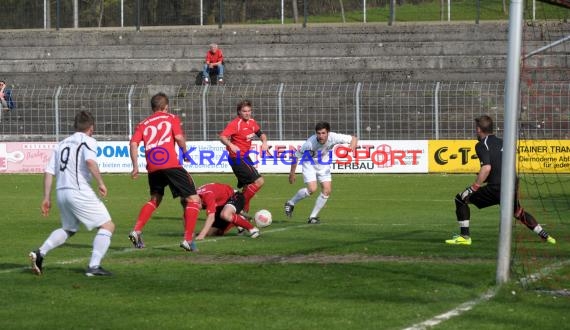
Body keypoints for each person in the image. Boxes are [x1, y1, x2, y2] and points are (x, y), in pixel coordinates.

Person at [446, 115, 556, 245]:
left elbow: (486, 168)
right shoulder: (503, 142)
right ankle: (545, 235)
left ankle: (464, 237)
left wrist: (473, 187)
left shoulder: (481, 145)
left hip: (497, 187)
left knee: (461, 199)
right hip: (512, 184)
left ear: (478, 130)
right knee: (517, 212)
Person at [29, 110, 115, 276]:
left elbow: (48, 172)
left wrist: (46, 197)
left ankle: (40, 253)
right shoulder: (88, 140)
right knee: (107, 225)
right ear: (91, 127)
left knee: (69, 228)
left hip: (61, 192)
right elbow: (90, 161)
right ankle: (93, 267)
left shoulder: (61, 144)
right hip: (78, 190)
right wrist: (101, 183)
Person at [128, 92, 201, 252]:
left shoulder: (143, 123)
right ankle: (188, 240)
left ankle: (137, 230)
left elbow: (133, 144)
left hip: (153, 166)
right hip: (170, 164)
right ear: (165, 107)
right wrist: (185, 151)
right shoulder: (171, 118)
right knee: (194, 200)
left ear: (153, 107)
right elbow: (180, 137)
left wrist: (135, 166)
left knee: (155, 198)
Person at [284, 121, 358, 224]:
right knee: (312, 189)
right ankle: (290, 203)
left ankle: (312, 217)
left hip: (323, 164)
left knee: (327, 190)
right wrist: (292, 173)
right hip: (309, 163)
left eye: (323, 133)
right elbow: (295, 156)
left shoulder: (334, 137)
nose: (321, 136)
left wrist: (351, 147)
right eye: (318, 133)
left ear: (328, 132)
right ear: (315, 133)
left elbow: (353, 139)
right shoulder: (310, 143)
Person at [219, 100, 269, 213]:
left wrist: (264, 142)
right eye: (244, 111)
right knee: (259, 181)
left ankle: (242, 213)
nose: (247, 113)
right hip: (236, 158)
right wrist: (231, 145)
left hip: (245, 157)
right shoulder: (235, 124)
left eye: (249, 111)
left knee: (247, 187)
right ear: (239, 112)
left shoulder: (251, 122)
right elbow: (222, 137)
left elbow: (261, 133)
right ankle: (237, 207)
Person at [195, 183, 260, 240]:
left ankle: (253, 229)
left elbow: (211, 217)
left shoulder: (208, 195)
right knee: (213, 233)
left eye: (196, 207)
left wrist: (202, 235)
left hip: (234, 196)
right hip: (222, 206)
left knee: (225, 214)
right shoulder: (195, 196)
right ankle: (237, 220)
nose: (197, 210)